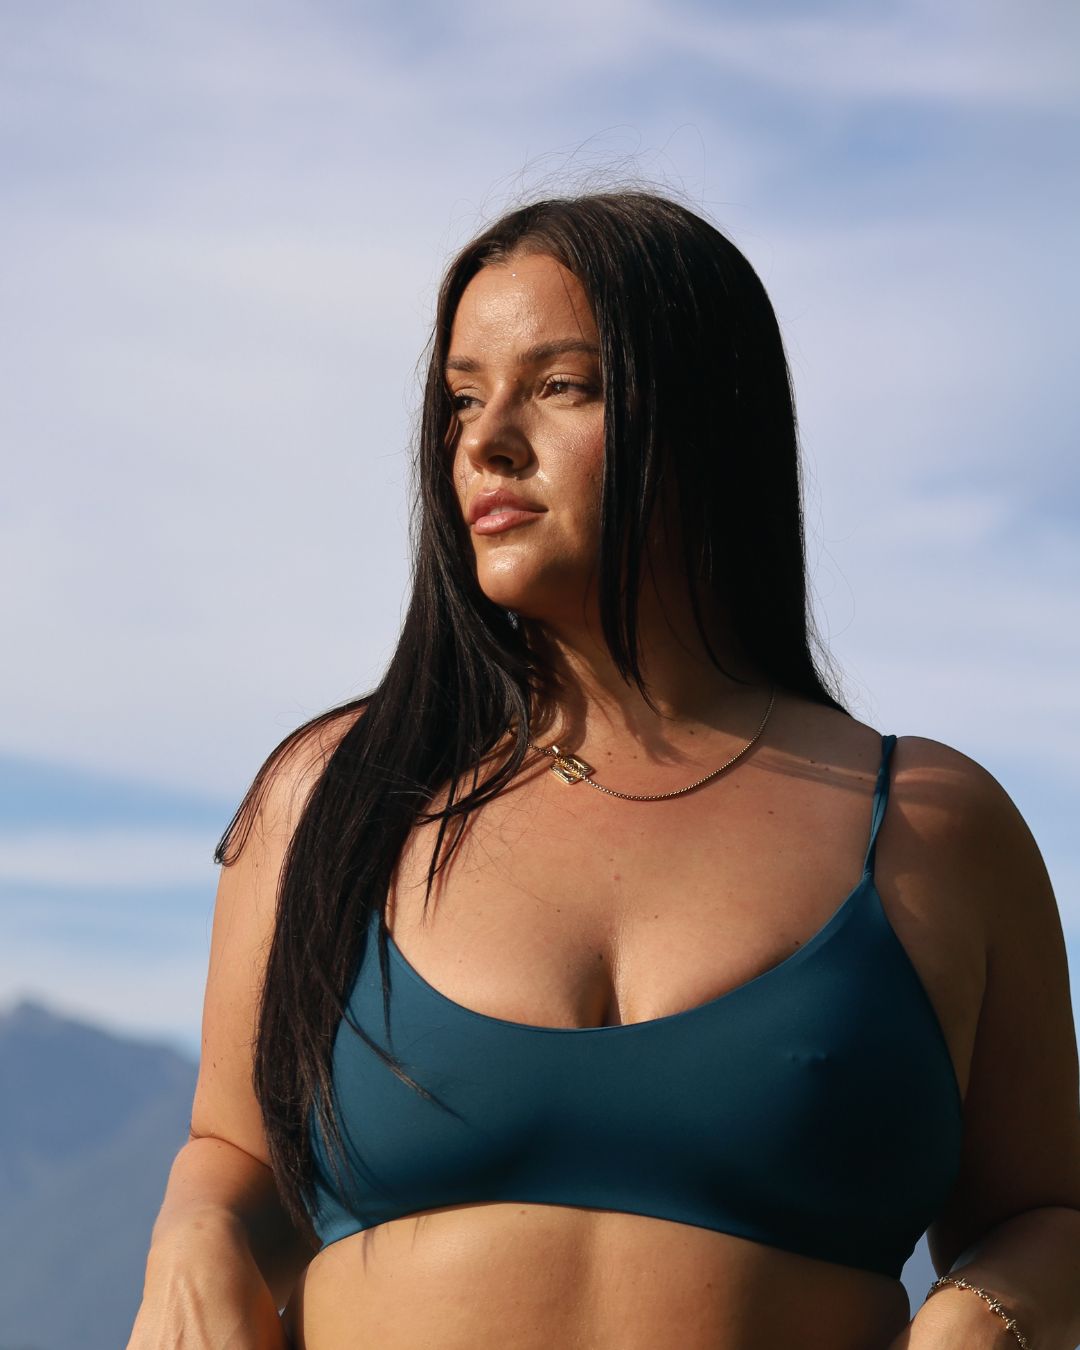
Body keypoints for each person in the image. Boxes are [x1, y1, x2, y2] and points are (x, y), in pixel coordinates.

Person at [127, 191, 1080, 1350]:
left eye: (561, 385)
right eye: (463, 399)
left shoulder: (935, 828)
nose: (484, 439)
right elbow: (234, 1151)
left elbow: (1048, 1214)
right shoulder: (328, 798)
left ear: (708, 416)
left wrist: (986, 1316)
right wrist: (193, 1234)